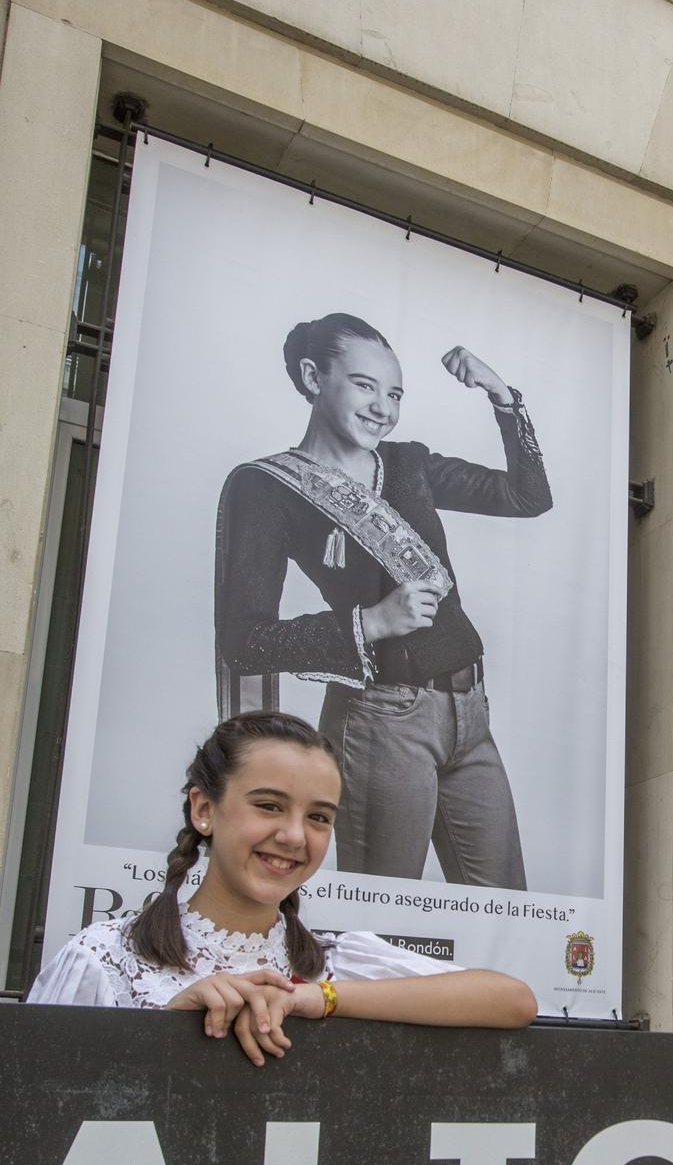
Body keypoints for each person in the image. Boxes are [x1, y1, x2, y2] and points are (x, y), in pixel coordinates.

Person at [214, 313, 553, 887]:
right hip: (380, 719)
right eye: (365, 386)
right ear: (313, 376)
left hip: (469, 712)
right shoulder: (267, 486)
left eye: (394, 393)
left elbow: (528, 497)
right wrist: (369, 623)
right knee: (383, 914)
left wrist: (503, 397)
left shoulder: (406, 464)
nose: (383, 408)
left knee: (506, 912)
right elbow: (245, 643)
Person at [28, 712, 538, 1061]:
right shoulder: (102, 958)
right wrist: (167, 1029)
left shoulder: (332, 963)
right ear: (204, 809)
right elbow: (30, 1110)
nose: (294, 836)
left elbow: (512, 1000)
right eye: (269, 806)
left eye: (318, 817)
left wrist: (314, 999)